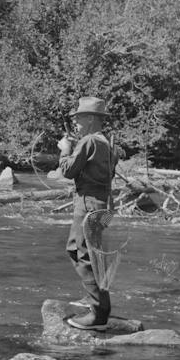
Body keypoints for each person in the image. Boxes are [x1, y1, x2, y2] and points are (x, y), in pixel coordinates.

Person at [58, 96, 119, 330]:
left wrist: (65, 150)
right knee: (86, 252)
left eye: (79, 118)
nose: (75, 122)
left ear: (91, 119)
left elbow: (68, 171)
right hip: (103, 205)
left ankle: (99, 313)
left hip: (88, 206)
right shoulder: (106, 142)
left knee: (83, 254)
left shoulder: (89, 141)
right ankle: (94, 297)